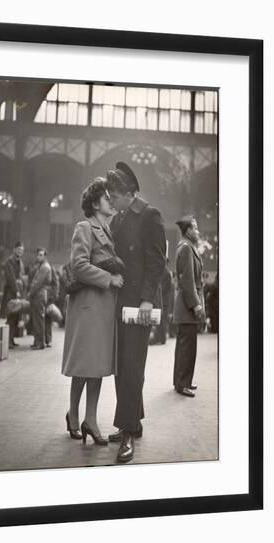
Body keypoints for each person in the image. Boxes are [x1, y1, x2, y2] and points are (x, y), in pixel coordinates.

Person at [106, 161, 166, 463]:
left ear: (126, 194)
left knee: (132, 367)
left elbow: (157, 264)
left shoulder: (150, 216)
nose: (111, 202)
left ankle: (127, 432)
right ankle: (134, 421)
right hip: (120, 303)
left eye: (113, 197)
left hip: (138, 305)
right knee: (122, 366)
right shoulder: (120, 218)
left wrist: (147, 300)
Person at [62, 178, 124, 445]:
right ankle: (76, 416)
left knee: (96, 366)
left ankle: (88, 418)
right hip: (88, 306)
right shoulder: (84, 227)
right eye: (107, 198)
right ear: (95, 203)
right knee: (85, 365)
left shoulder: (108, 231)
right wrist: (108, 278)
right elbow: (78, 265)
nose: (111, 201)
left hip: (103, 308)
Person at [173, 216, 204, 397]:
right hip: (187, 307)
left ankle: (181, 381)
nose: (198, 232)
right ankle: (182, 384)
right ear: (189, 231)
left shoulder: (187, 247)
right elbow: (188, 281)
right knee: (187, 348)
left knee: (183, 346)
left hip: (185, 306)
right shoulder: (186, 248)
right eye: (196, 228)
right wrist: (196, 305)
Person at [0, 242, 25, 349]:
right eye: (18, 249)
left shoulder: (20, 262)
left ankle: (12, 339)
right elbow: (11, 278)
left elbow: (21, 276)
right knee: (11, 315)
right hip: (11, 291)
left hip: (18, 291)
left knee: (15, 315)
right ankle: (8, 340)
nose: (20, 252)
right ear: (14, 249)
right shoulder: (9, 261)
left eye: (22, 250)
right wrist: (16, 290)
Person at [28, 248, 52, 350]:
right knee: (36, 319)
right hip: (38, 295)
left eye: (41, 255)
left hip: (39, 295)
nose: (39, 257)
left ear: (45, 256)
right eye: (38, 255)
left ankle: (40, 343)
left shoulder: (45, 267)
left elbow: (38, 283)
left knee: (39, 320)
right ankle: (37, 341)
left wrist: (30, 293)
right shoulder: (41, 266)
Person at [45, 266, 60, 347]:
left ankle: (48, 339)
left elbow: (56, 283)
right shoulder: (37, 267)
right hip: (41, 297)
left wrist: (54, 295)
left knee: (48, 319)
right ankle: (43, 339)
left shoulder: (51, 268)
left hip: (48, 298)